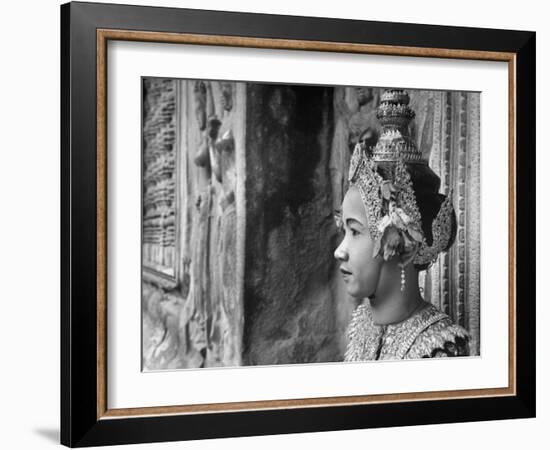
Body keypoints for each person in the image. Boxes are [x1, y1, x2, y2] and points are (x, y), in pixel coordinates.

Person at [334, 89, 469, 361]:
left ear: (401, 245)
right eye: (344, 232)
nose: (340, 250)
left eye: (355, 231)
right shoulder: (362, 326)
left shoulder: (439, 349)